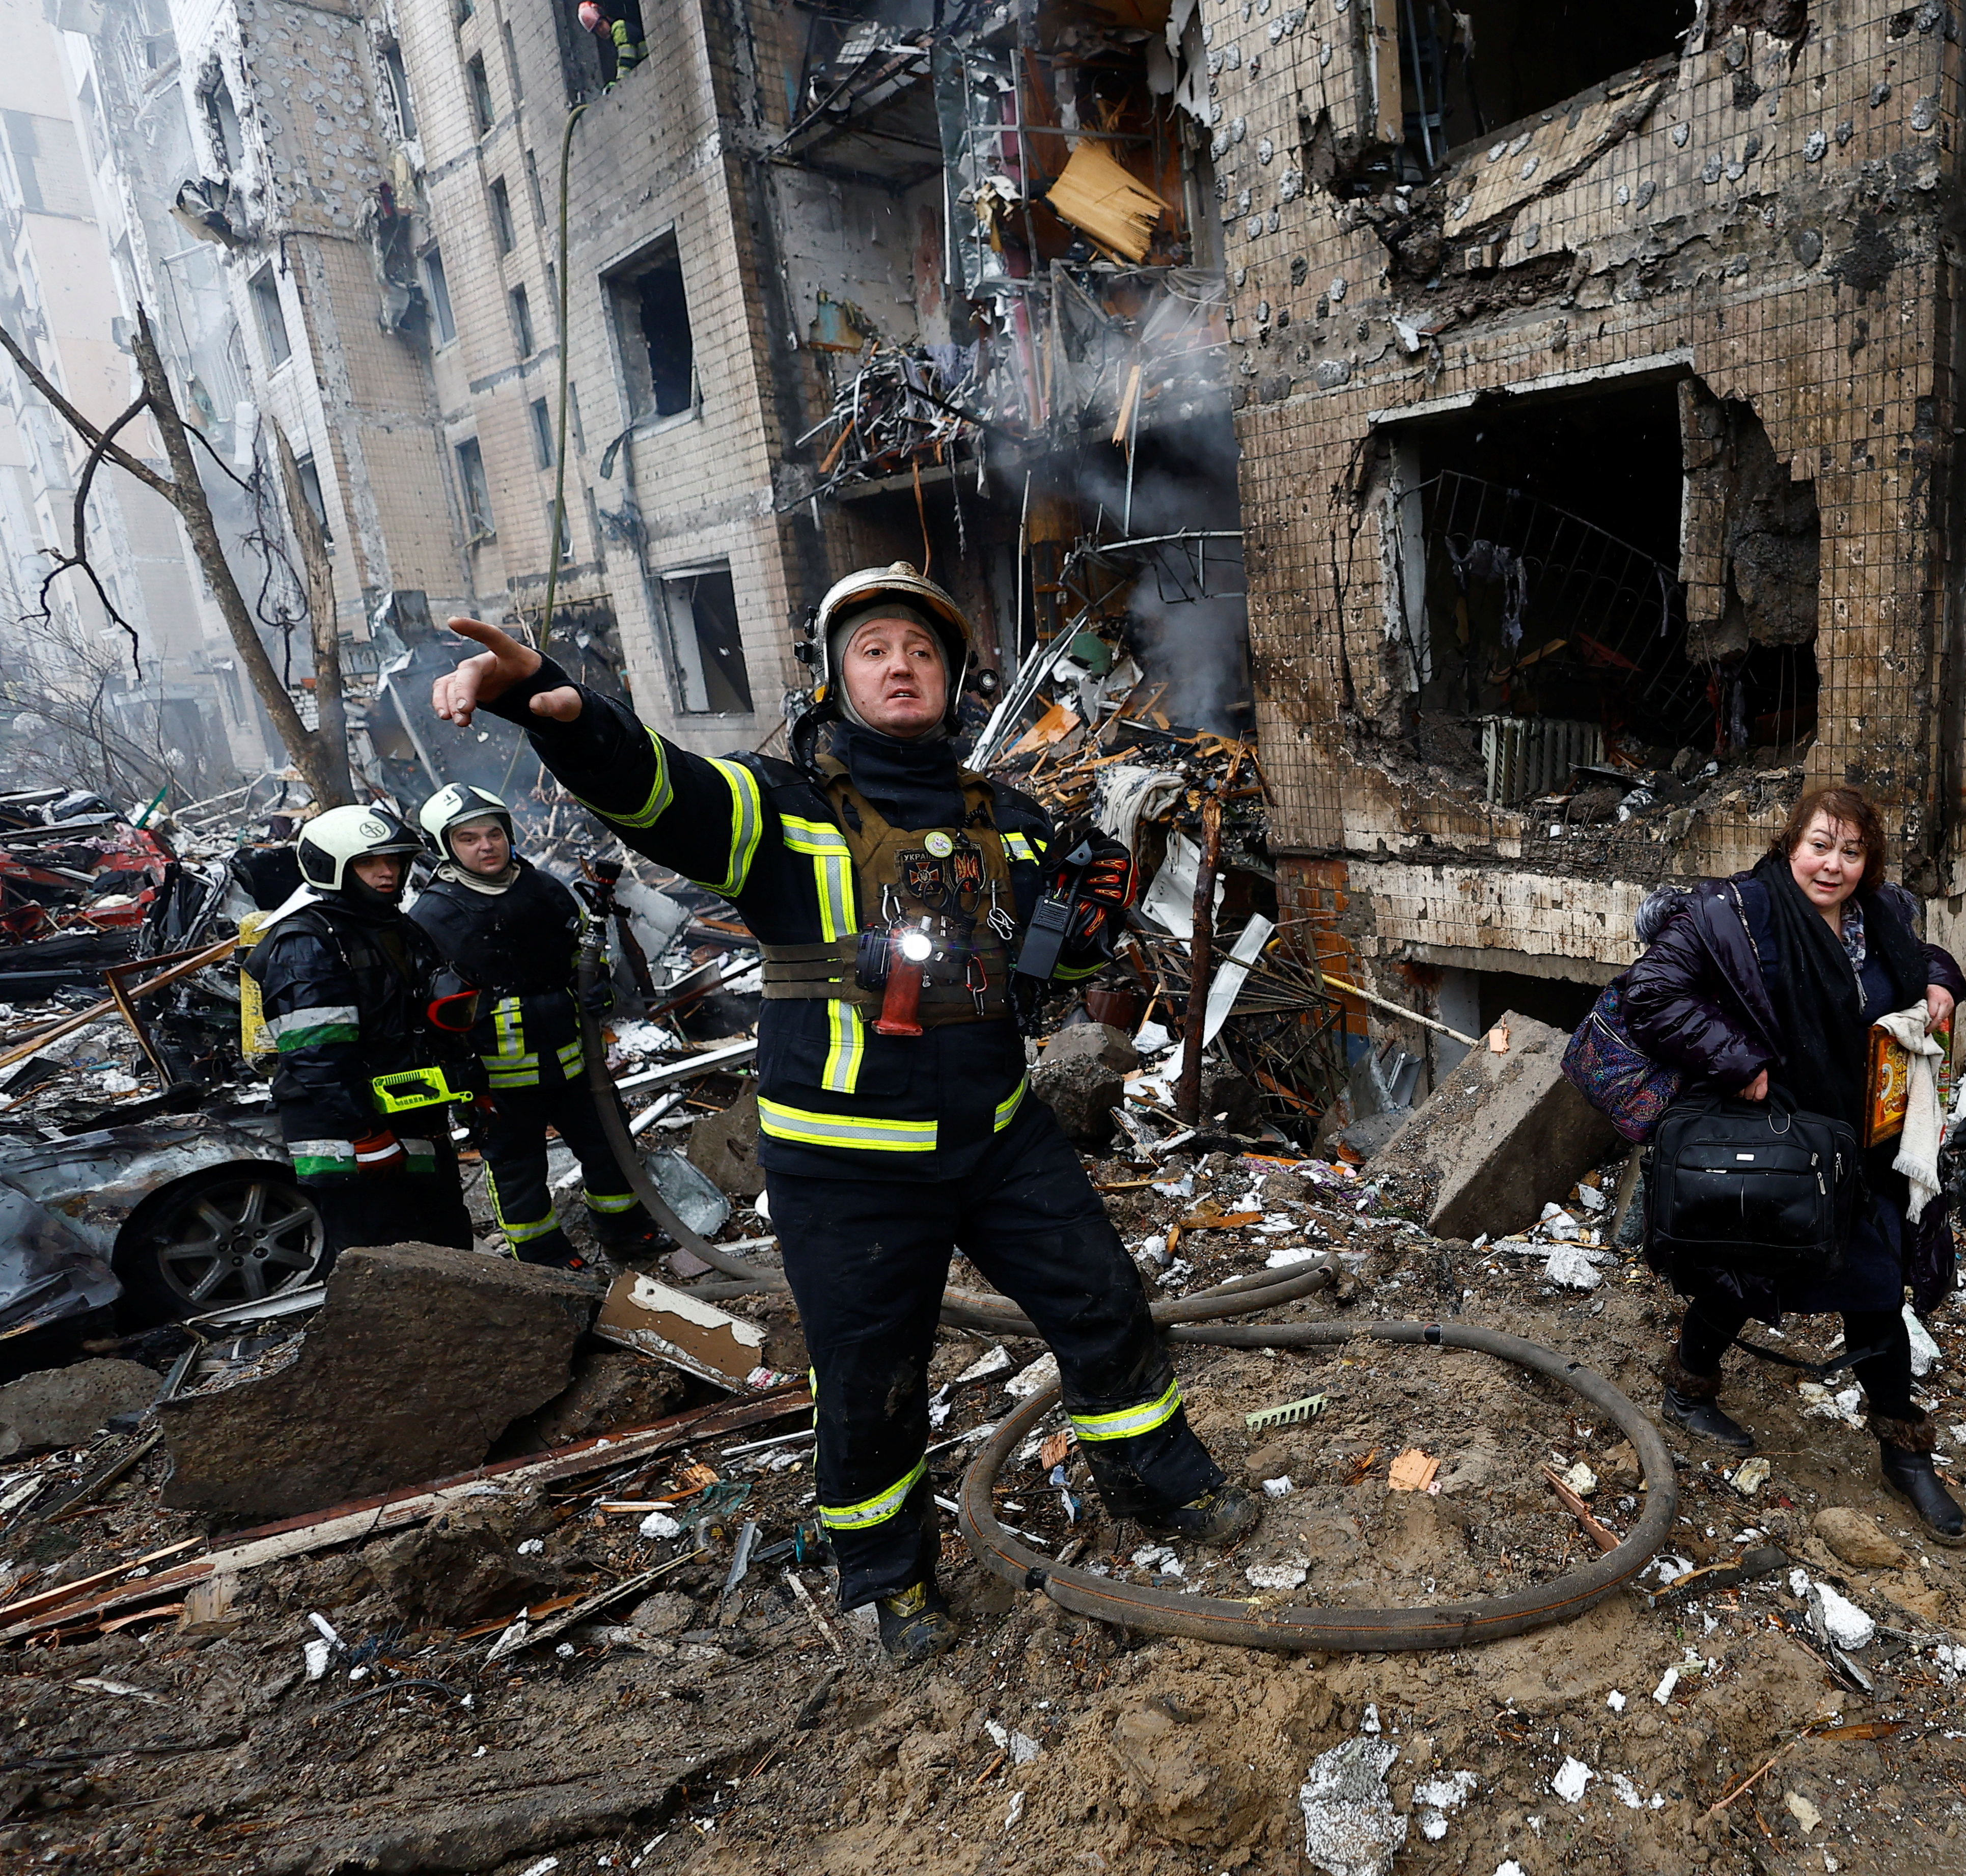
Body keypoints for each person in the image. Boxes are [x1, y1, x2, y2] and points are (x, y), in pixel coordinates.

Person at [429, 565, 1255, 1666]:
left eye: (921, 648)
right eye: (874, 649)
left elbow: (1079, 942)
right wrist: (553, 702)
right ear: (835, 679)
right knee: (871, 1377)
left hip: (999, 1137)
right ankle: (891, 1578)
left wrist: (1094, 905)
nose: (900, 662)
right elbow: (650, 784)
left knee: (1105, 1303)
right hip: (846, 1164)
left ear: (953, 681)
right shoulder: (775, 808)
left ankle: (1157, 1480)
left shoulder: (1004, 818)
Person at [1620, 786, 1966, 1545]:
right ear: (1791, 846)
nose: (1833, 865)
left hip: (1863, 1140)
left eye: (1851, 851)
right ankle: (1688, 1385)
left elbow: (1917, 957)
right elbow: (1651, 994)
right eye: (1820, 845)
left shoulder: (1879, 916)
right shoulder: (1736, 915)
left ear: (1868, 861)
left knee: (1876, 1284)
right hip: (1780, 1135)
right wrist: (1737, 1058)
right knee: (1752, 1266)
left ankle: (1903, 1449)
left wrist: (1942, 979)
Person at [408, 783, 672, 1272]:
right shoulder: (432, 914)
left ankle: (626, 1233)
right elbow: (425, 1007)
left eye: (493, 834)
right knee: (518, 1168)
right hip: (499, 1076)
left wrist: (600, 989)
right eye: (468, 838)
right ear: (446, 847)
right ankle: (544, 1260)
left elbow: (587, 957)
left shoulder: (544, 888)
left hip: (574, 1059)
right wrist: (461, 1078)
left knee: (610, 1146)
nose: (486, 846)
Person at [252, 805, 477, 1261]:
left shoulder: (395, 925)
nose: (386, 873)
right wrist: (364, 1132)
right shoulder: (307, 941)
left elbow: (426, 1021)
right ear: (330, 867)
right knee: (381, 1261)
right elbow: (316, 1052)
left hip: (409, 1116)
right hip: (345, 1136)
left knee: (445, 1244)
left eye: (393, 861)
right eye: (369, 863)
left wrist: (469, 1084)